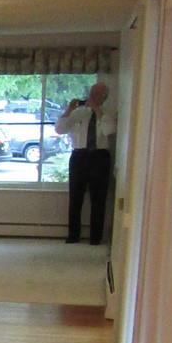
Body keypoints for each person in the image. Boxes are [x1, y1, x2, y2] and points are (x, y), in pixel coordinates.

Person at [55, 82, 116, 244]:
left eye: (98, 94)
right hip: (79, 155)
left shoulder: (107, 114)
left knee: (99, 198)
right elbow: (60, 129)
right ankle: (73, 235)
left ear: (105, 97)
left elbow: (108, 131)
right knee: (75, 197)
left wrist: (97, 109)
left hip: (100, 157)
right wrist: (69, 110)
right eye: (92, 93)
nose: (93, 96)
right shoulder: (78, 113)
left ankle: (95, 237)